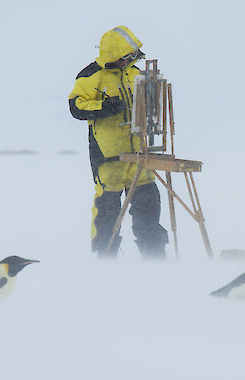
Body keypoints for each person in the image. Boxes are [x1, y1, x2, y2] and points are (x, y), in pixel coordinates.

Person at [68, 26, 169, 259]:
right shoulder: (91, 76)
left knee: (148, 205)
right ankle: (106, 258)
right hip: (108, 157)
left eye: (132, 57)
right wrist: (104, 107)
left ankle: (155, 258)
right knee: (108, 212)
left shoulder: (136, 74)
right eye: (126, 56)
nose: (130, 61)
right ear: (115, 55)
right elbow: (76, 107)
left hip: (139, 156)